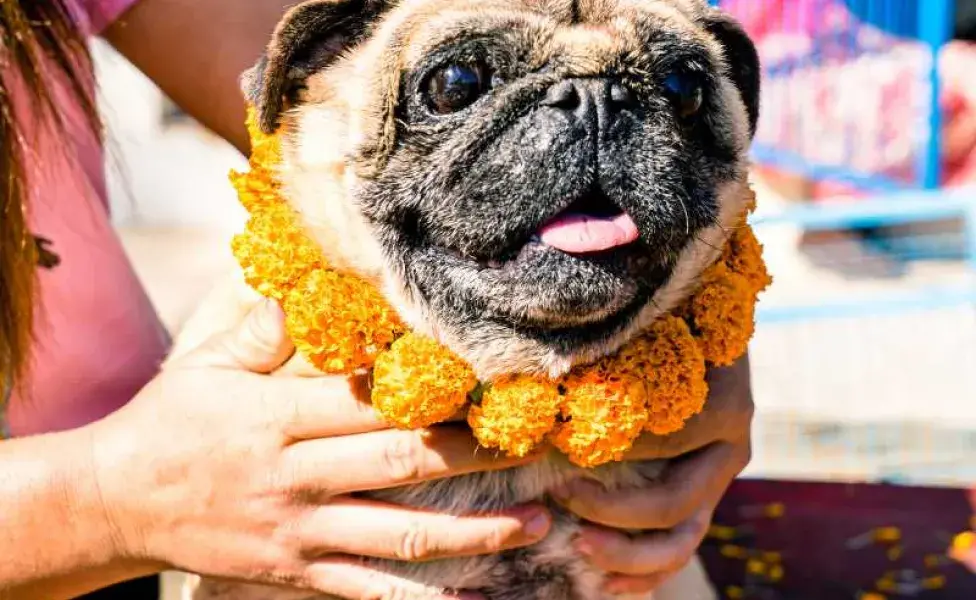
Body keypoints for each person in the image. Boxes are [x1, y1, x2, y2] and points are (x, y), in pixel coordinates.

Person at [0, 1, 755, 599]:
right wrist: (107, 500)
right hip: (171, 496)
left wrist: (699, 328)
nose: (586, 115)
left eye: (679, 92)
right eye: (456, 88)